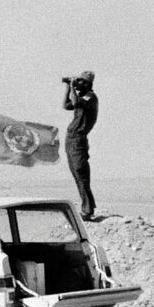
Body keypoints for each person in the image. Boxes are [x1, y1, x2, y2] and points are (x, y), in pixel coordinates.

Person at [62, 70, 98, 221]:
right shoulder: (82, 97)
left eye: (82, 82)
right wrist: (67, 88)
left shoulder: (90, 96)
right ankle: (87, 207)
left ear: (89, 84)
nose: (80, 84)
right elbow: (66, 105)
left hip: (78, 139)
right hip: (71, 138)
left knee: (81, 173)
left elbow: (76, 102)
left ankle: (88, 210)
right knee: (76, 174)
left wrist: (72, 87)